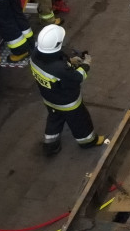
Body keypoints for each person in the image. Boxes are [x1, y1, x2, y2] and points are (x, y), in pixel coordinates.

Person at [29, 25, 104, 155]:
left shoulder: (34, 55)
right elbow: (77, 78)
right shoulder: (59, 69)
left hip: (49, 98)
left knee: (54, 118)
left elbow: (56, 65)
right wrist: (86, 64)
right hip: (68, 103)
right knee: (80, 121)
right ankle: (87, 141)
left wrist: (70, 62)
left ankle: (51, 145)